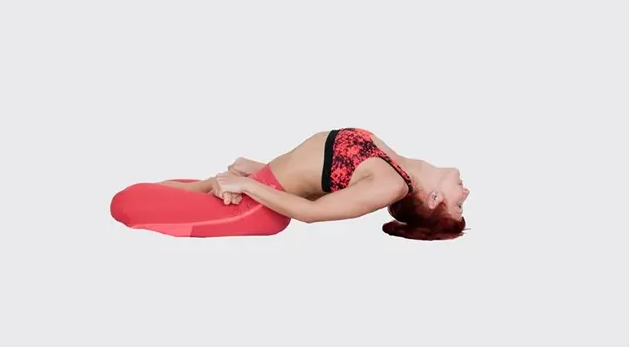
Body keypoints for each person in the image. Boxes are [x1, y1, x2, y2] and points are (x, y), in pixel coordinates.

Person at [111, 128, 470, 240]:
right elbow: (320, 177)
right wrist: (259, 171)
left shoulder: (391, 185)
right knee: (157, 190)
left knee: (126, 202)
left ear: (434, 198)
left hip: (255, 209)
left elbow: (312, 212)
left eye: (458, 204)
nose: (466, 192)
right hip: (260, 190)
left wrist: (249, 187)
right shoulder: (396, 165)